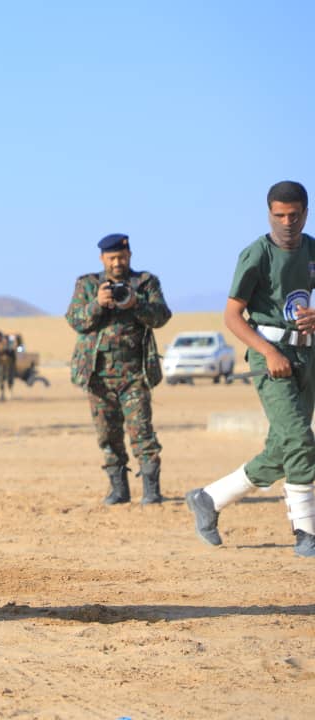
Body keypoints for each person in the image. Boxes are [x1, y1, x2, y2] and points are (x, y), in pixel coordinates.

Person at [186, 181, 315, 557]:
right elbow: (232, 315)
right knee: (299, 441)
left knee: (285, 446)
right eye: (279, 215)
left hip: (307, 355)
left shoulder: (311, 250)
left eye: (294, 215)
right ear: (269, 213)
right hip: (269, 357)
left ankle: (209, 498)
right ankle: (306, 533)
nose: (287, 222)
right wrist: (269, 353)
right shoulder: (256, 255)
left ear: (305, 213)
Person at [65, 233, 172, 505]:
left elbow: (161, 316)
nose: (117, 263)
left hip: (134, 374)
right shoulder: (88, 284)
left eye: (122, 258)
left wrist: (137, 304)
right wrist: (96, 305)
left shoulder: (145, 283)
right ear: (102, 258)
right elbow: (75, 320)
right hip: (97, 376)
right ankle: (119, 489)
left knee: (142, 431)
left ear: (130, 256)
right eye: (112, 258)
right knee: (107, 434)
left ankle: (151, 490)